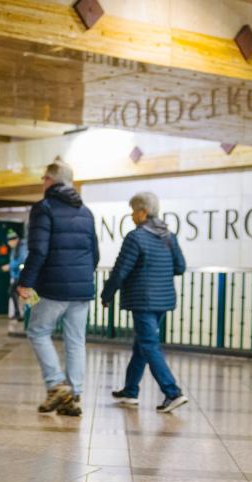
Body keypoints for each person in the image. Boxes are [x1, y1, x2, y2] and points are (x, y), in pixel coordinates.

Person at [17, 157, 99, 417]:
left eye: (44, 178)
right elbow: (94, 253)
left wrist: (26, 283)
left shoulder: (44, 208)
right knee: (76, 341)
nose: (43, 183)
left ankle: (56, 384)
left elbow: (38, 249)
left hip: (54, 285)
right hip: (82, 287)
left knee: (38, 331)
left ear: (50, 180)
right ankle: (73, 396)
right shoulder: (85, 211)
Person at [101, 191, 188, 413]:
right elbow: (180, 267)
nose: (131, 216)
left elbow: (121, 271)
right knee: (142, 344)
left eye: (133, 211)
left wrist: (107, 294)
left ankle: (172, 392)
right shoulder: (169, 236)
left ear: (143, 212)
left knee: (148, 345)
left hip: (143, 300)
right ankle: (130, 390)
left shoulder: (136, 237)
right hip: (163, 299)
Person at [1, 229, 27, 320]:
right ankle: (20, 313)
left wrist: (9, 266)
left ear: (15, 240)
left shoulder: (22, 247)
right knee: (19, 293)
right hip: (17, 275)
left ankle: (20, 313)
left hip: (22, 275)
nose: (9, 243)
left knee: (15, 291)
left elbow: (22, 260)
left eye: (10, 241)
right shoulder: (15, 248)